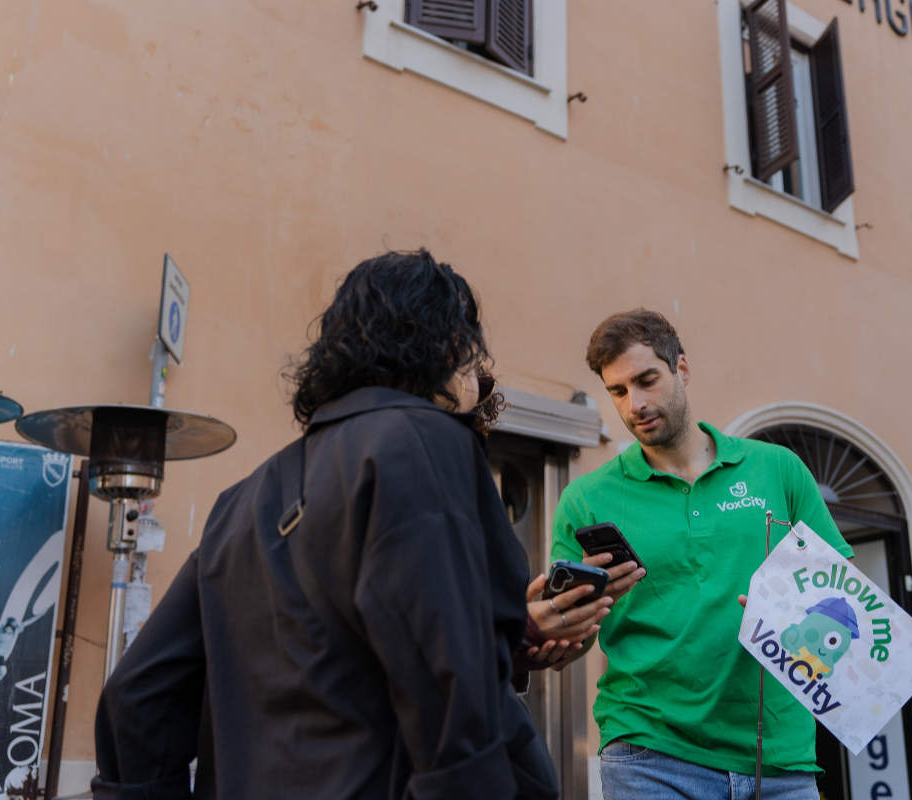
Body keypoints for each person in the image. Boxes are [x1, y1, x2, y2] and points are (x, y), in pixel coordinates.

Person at [91, 249, 609, 800]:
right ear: (449, 347)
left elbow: (137, 694)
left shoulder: (240, 502)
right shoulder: (425, 443)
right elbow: (448, 676)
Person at [550, 309, 854, 800]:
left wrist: (781, 607)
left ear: (682, 369)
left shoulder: (777, 470)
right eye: (618, 391)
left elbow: (840, 594)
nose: (636, 405)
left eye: (647, 380)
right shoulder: (586, 500)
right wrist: (553, 627)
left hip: (776, 754)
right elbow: (572, 639)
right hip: (648, 753)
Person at [0, 609, 48, 714]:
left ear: (14, 628)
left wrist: (41, 614)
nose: (8, 631)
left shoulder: (17, 629)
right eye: (7, 628)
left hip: (0, 656)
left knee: (2, 672)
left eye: (11, 629)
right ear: (4, 626)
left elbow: (28, 622)